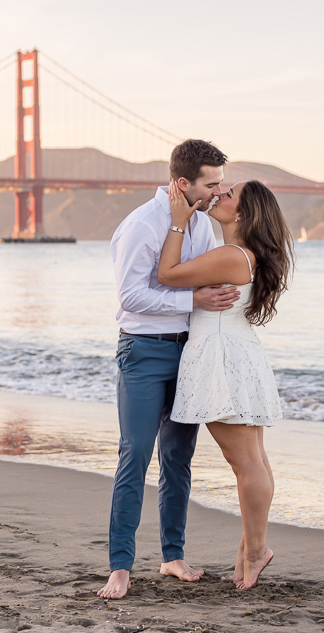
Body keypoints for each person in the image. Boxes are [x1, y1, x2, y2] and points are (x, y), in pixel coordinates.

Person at [98, 139, 239, 600]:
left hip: (190, 351)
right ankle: (120, 566)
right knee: (135, 454)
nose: (219, 191)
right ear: (183, 183)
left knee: (178, 459)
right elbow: (130, 297)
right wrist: (193, 298)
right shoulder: (141, 224)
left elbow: (207, 276)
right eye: (211, 184)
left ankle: (172, 557)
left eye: (221, 182)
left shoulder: (201, 224)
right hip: (143, 351)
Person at [157, 178, 295, 589]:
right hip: (238, 352)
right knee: (255, 459)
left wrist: (180, 221)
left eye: (229, 194)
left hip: (220, 357)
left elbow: (166, 273)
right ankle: (250, 549)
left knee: (245, 463)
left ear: (245, 214)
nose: (219, 195)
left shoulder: (232, 255)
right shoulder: (243, 255)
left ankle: (256, 551)